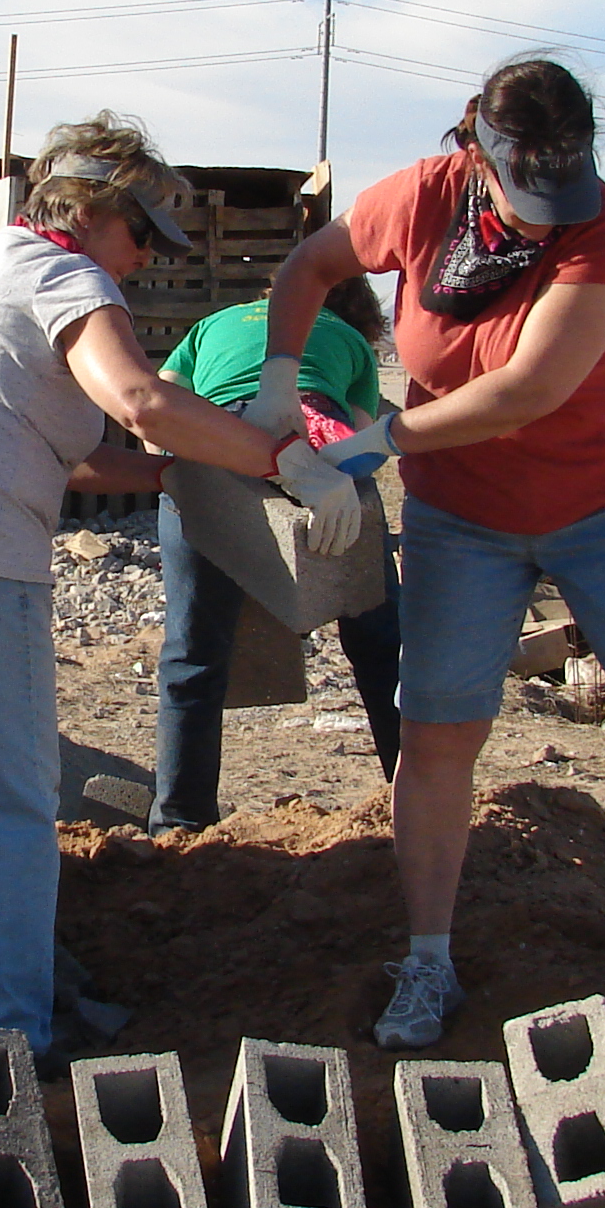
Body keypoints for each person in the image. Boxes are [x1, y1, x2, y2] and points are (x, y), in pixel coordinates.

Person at [0, 112, 361, 1066]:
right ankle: (11, 1052)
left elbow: (69, 457)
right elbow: (140, 400)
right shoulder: (69, 276)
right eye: (145, 234)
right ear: (96, 210)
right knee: (16, 811)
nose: (146, 259)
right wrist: (285, 459)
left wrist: (179, 477)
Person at [261, 54, 605, 1050]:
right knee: (438, 731)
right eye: (525, 188)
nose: (546, 212)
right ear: (477, 155)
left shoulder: (604, 224)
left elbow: (527, 390)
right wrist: (282, 378)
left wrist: (364, 447)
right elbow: (309, 267)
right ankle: (423, 962)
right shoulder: (417, 197)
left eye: (560, 186)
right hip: (464, 514)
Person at [150, 278, 403, 831]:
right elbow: (355, 446)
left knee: (193, 655)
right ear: (360, 317)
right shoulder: (351, 342)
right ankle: (420, 800)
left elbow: (157, 425)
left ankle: (179, 824)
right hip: (314, 440)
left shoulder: (211, 325)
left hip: (213, 441)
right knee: (381, 645)